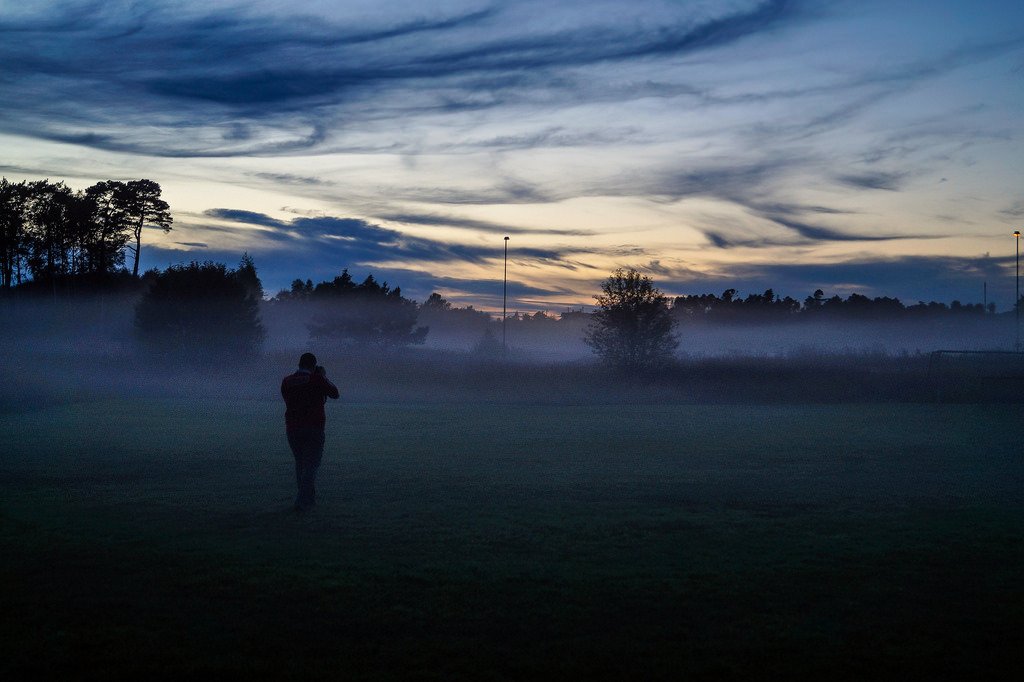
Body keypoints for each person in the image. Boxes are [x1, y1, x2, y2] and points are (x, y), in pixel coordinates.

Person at [281, 352, 339, 511]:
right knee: (311, 465)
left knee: (300, 464)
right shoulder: (316, 379)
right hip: (314, 427)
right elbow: (335, 393)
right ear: (313, 365)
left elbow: (287, 399)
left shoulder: (287, 381)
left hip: (292, 428)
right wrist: (323, 377)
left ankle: (309, 500)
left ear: (299, 364)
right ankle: (301, 501)